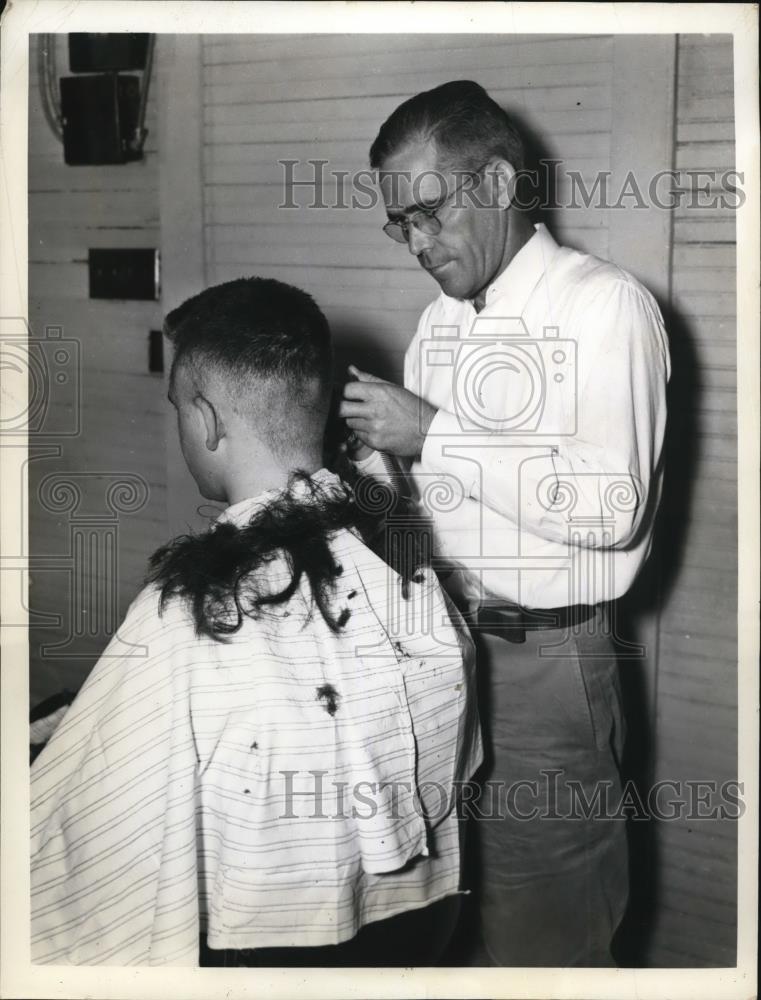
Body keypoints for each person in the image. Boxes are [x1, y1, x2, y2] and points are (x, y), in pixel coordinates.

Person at [30, 276, 481, 967]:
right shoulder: (401, 555)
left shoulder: (190, 610)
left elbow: (84, 831)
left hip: (268, 954)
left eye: (179, 407)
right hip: (414, 927)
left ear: (207, 421)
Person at [340, 80, 670, 967]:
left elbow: (610, 505)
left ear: (492, 185)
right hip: (441, 657)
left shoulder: (603, 307)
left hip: (546, 669)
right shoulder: (437, 325)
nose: (415, 242)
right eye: (398, 224)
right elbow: (431, 504)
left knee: (545, 945)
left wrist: (432, 433)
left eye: (426, 212)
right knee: (449, 925)